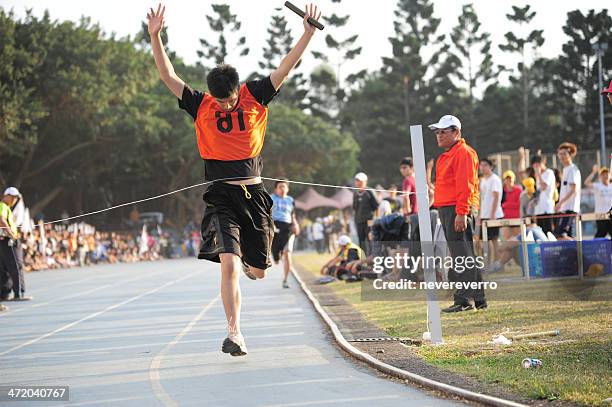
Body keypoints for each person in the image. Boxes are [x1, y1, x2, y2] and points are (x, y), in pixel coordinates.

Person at [147, 3, 322, 356]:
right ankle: (235, 333)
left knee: (257, 272)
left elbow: (286, 66)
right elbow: (168, 77)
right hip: (221, 197)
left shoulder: (256, 93)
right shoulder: (201, 104)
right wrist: (155, 36)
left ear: (237, 89)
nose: (225, 107)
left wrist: (306, 33)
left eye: (229, 101)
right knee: (227, 263)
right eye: (220, 102)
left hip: (255, 196)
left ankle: (248, 260)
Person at [429, 115, 487, 312]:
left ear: (456, 132)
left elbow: (466, 185)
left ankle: (463, 301)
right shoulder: (447, 154)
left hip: (457, 209)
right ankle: (479, 299)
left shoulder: (463, 153)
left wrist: (461, 212)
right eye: (437, 132)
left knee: (461, 256)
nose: (439, 135)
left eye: (443, 131)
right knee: (464, 255)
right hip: (448, 209)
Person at [0, 188, 31, 302]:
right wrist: (11, 234)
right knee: (16, 266)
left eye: (15, 198)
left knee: (4, 268)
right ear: (6, 196)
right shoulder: (3, 206)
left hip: (4, 241)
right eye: (13, 197)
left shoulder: (6, 207)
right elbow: (1, 220)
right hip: (8, 240)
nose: (14, 200)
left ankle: (4, 294)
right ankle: (18, 293)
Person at [270, 179, 300, 289]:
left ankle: (286, 280)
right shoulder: (271, 198)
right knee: (276, 257)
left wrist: (295, 224)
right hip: (274, 227)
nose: (282, 189)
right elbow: (265, 214)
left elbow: (293, 215)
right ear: (276, 189)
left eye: (284, 187)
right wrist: (270, 224)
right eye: (280, 187)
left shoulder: (290, 200)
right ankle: (276, 256)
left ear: (288, 189)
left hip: (287, 228)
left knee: (287, 253)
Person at [478, 158, 504, 261]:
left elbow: (496, 197)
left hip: (494, 215)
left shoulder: (495, 179)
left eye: (485, 165)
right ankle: (487, 263)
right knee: (484, 240)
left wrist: (492, 214)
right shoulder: (483, 180)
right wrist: (480, 214)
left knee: (494, 240)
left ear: (491, 167)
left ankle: (498, 263)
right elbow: (482, 198)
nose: (482, 167)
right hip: (484, 214)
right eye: (481, 165)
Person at [555, 142, 581, 238]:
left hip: (570, 208)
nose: (561, 156)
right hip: (565, 208)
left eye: (564, 154)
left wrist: (560, 203)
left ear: (570, 155)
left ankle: (580, 252)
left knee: (561, 234)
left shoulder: (573, 169)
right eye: (560, 154)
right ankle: (573, 252)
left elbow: (573, 190)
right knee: (566, 235)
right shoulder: (565, 169)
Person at [352, 172, 378, 255]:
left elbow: (376, 207)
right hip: (359, 222)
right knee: (361, 242)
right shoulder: (355, 193)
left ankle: (372, 260)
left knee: (370, 241)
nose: (358, 182)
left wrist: (375, 220)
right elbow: (355, 208)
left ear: (365, 181)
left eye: (360, 181)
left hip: (369, 221)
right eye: (357, 180)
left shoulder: (369, 192)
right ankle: (363, 260)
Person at [584, 165, 612, 238]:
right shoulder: (597, 186)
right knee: (601, 232)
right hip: (600, 215)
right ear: (600, 177)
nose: (605, 176)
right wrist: (593, 172)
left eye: (607, 174)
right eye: (603, 175)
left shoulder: (611, 186)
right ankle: (594, 247)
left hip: (610, 215)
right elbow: (586, 183)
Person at [531, 155, 556, 235]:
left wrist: (538, 175)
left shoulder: (549, 172)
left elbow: (544, 187)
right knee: (540, 233)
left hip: (547, 209)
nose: (536, 167)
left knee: (548, 232)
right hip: (539, 209)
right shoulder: (538, 176)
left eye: (537, 164)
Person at [501, 170, 521, 239]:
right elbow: (500, 205)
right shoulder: (502, 191)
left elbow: (518, 204)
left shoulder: (518, 190)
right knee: (507, 239)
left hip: (516, 219)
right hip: (506, 218)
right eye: (507, 179)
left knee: (517, 239)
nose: (509, 180)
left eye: (510, 178)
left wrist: (506, 205)